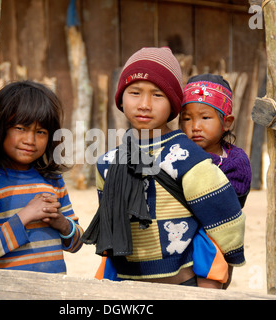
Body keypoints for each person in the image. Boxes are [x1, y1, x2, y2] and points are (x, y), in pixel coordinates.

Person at [82, 47, 245, 287]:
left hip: (183, 286)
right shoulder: (107, 164)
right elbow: (112, 226)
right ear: (120, 99)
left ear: (173, 104)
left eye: (157, 95)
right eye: (135, 92)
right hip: (127, 288)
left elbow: (226, 221)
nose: (145, 104)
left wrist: (219, 278)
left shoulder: (190, 159)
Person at [0, 80, 83, 273]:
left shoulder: (53, 181)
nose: (30, 140)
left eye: (40, 132)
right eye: (20, 128)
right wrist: (25, 216)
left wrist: (62, 223)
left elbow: (77, 243)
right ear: (0, 126)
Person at [180, 73, 252, 288]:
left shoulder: (236, 161)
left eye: (205, 117)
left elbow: (229, 208)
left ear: (226, 122)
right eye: (187, 118)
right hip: (179, 236)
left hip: (217, 237)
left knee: (211, 285)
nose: (195, 126)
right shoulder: (177, 151)